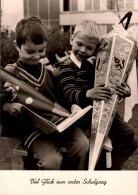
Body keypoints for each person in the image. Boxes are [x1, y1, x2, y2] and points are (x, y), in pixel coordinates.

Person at [1, 16, 89, 170]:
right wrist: (6, 106)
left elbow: (61, 97)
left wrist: (73, 106)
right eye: (30, 52)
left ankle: (75, 182)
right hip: (33, 130)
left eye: (41, 50)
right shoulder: (10, 74)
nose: (36, 56)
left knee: (82, 144)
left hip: (59, 124)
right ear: (17, 46)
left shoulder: (48, 72)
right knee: (51, 162)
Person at [57, 19, 137, 170]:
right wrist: (88, 93)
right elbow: (69, 92)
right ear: (71, 39)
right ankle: (104, 172)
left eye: (89, 48)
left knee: (131, 138)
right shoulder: (65, 67)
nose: (82, 50)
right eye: (79, 44)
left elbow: (107, 89)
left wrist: (124, 92)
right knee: (128, 133)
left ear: (96, 50)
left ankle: (106, 172)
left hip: (98, 115)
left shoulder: (94, 65)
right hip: (78, 118)